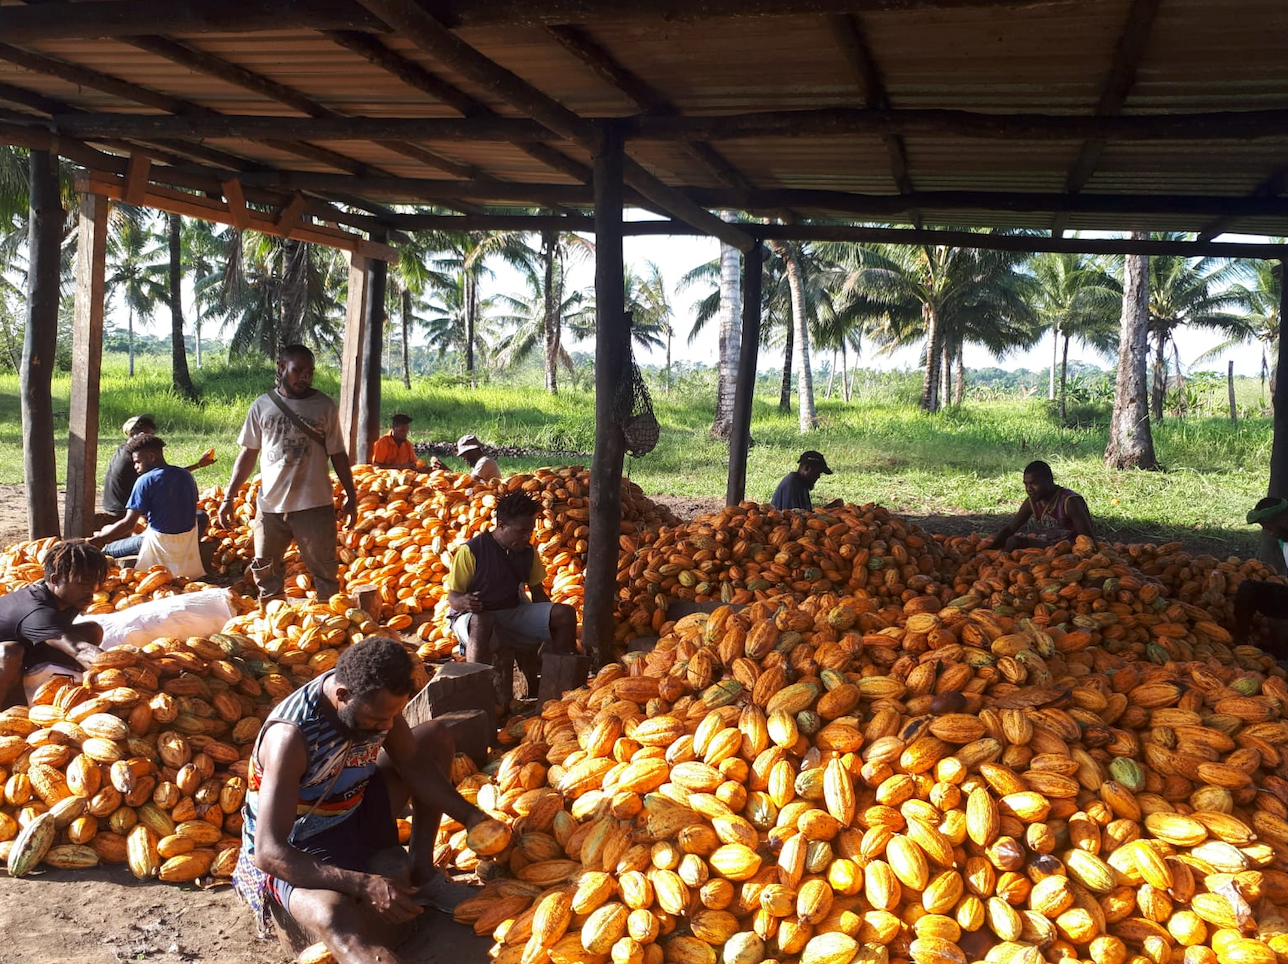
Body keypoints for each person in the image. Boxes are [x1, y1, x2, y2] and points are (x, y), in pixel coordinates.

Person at [233, 637, 485, 964]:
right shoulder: (290, 736)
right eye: (378, 720)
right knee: (333, 915)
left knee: (434, 737)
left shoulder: (375, 702)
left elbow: (413, 764)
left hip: (353, 807)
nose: (388, 726)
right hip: (303, 839)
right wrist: (365, 884)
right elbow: (269, 853)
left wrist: (472, 817)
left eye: (393, 716)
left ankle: (423, 872)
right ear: (343, 697)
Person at [217, 344, 358, 603]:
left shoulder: (324, 406)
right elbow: (248, 454)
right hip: (270, 507)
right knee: (265, 571)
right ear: (282, 367)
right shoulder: (261, 406)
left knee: (325, 572)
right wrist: (228, 497)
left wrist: (351, 495)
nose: (304, 377)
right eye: (298, 370)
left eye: (309, 372)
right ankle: (272, 621)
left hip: (314, 505)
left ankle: (330, 619)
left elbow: (338, 453)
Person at [446, 491, 577, 713]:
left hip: (511, 613)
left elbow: (538, 595)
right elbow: (453, 597)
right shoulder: (471, 551)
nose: (527, 536)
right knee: (482, 621)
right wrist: (466, 602)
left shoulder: (527, 552)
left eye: (530, 531)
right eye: (522, 531)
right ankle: (479, 695)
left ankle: (556, 688)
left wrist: (549, 629)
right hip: (471, 620)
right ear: (502, 525)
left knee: (565, 614)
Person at [0, 540, 109, 708]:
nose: (91, 591)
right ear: (56, 579)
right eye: (82, 583)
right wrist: (117, 672)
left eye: (94, 584)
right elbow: (78, 649)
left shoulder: (66, 598)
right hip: (9, 657)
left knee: (92, 631)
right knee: (9, 652)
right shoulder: (37, 612)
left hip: (27, 649)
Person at [90, 435, 206, 579]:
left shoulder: (144, 481)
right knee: (201, 515)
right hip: (186, 541)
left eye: (138, 462)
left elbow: (128, 524)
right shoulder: (185, 475)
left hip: (159, 542)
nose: (135, 467)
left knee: (108, 549)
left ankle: (103, 550)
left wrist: (100, 539)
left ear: (151, 457)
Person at [102, 414, 216, 520]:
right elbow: (166, 476)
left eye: (152, 435)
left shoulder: (123, 449)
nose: (151, 440)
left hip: (113, 506)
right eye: (146, 435)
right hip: (124, 512)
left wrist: (198, 465)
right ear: (132, 435)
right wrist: (198, 465)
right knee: (199, 516)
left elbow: (165, 473)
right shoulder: (135, 458)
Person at [988, 459, 1095, 550]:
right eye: (1026, 484)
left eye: (1034, 483)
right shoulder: (1032, 502)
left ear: (1049, 481)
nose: (1029, 489)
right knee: (1013, 541)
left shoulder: (1069, 501)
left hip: (1071, 548)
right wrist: (989, 550)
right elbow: (1010, 528)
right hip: (1050, 545)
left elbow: (1087, 539)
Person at [1233, 497, 1288, 656]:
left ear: (1283, 518)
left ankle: (1282, 655)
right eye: (1265, 528)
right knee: (1247, 589)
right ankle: (1240, 644)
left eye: (1271, 526)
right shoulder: (1283, 539)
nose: (1270, 532)